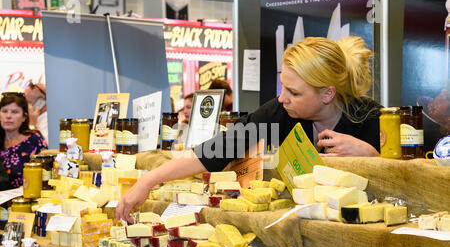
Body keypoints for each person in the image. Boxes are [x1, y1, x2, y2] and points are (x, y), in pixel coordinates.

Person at [116, 36, 382, 223]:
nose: (282, 98)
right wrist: (147, 181)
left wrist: (372, 157)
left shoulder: (372, 119)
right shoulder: (278, 113)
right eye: (282, 87)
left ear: (327, 94)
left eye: (294, 92)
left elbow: (415, 186)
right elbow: (216, 150)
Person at [0, 92, 48, 189]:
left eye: (14, 112)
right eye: (4, 111)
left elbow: (46, 173)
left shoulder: (34, 140)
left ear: (24, 117)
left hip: (27, 197)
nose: (8, 116)